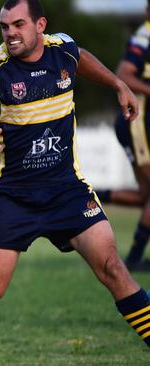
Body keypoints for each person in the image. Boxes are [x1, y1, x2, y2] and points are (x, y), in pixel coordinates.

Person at [0, 0, 150, 351]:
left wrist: (118, 85)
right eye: (4, 26)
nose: (10, 34)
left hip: (67, 191)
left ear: (40, 25)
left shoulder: (62, 50)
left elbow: (81, 57)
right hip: (15, 196)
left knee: (113, 269)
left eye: (18, 24)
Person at [95, 2, 150, 272]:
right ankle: (135, 258)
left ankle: (91, 196)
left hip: (144, 126)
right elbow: (124, 74)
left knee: (145, 195)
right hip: (138, 124)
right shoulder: (145, 36)